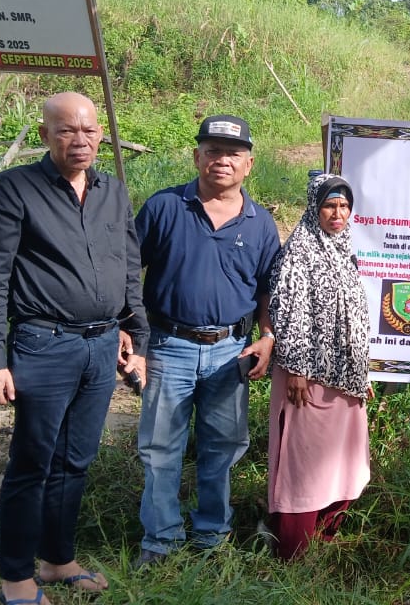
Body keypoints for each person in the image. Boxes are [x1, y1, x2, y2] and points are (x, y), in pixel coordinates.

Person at [0, 92, 148, 605]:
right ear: (45, 135)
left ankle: (57, 560)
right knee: (32, 463)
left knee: (76, 460)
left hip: (101, 345)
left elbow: (127, 268)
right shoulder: (14, 189)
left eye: (89, 130)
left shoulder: (112, 191)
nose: (80, 140)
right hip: (43, 344)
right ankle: (16, 578)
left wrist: (137, 337)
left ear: (101, 135)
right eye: (67, 130)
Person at [132, 115, 281, 568]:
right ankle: (160, 539)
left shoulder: (260, 224)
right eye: (213, 151)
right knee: (161, 448)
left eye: (233, 153)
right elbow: (126, 272)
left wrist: (267, 336)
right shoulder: (164, 208)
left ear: (249, 164)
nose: (222, 160)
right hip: (168, 345)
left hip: (231, 351)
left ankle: (212, 535)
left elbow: (267, 290)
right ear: (196, 157)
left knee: (222, 448)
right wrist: (131, 337)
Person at [265, 173, 371, 559]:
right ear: (314, 208)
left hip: (345, 379)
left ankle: (324, 536)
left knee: (344, 461)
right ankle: (293, 547)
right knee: (305, 461)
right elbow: (288, 311)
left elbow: (353, 317)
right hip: (307, 378)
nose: (337, 214)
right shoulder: (299, 252)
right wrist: (296, 368)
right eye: (329, 205)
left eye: (344, 206)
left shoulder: (343, 249)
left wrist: (360, 372)